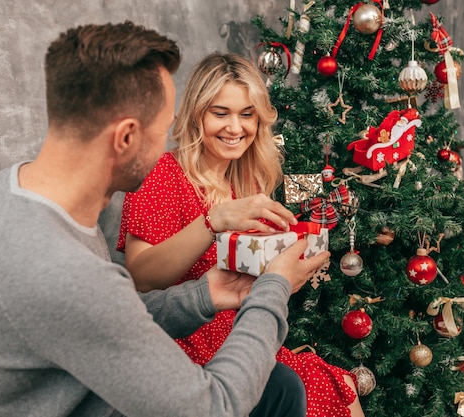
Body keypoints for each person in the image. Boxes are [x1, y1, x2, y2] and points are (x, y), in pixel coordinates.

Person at [0, 22, 330, 417]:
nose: (170, 143)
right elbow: (216, 408)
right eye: (164, 129)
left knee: (281, 387)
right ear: (126, 137)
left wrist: (204, 295)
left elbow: (106, 317)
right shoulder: (66, 273)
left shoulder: (6, 189)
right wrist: (274, 286)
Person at [118, 52, 366, 417]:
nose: (235, 128)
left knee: (343, 385)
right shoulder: (162, 174)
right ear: (197, 114)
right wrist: (212, 222)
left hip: (242, 333)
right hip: (184, 342)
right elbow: (139, 276)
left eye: (246, 114)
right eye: (221, 113)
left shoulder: (245, 182)